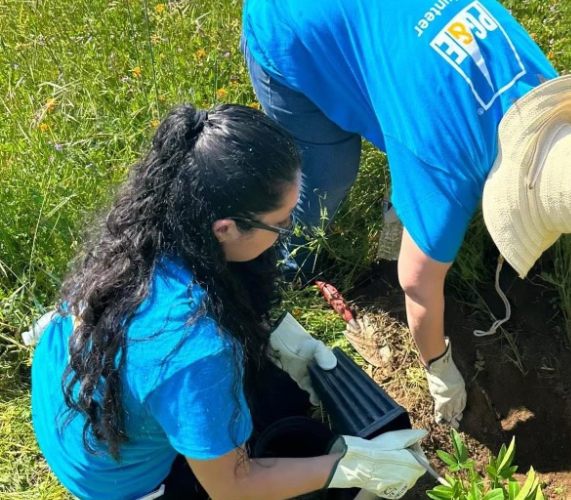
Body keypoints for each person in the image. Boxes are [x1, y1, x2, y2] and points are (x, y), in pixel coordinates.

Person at [241, 0, 571, 429]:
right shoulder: (448, 163)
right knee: (324, 180)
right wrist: (439, 370)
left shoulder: (537, 77)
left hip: (381, 30)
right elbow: (416, 285)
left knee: (405, 138)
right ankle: (289, 265)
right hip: (293, 27)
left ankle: (397, 207)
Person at [30, 104, 427, 500]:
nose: (288, 230)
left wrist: (282, 339)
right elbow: (233, 486)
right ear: (225, 228)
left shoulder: (147, 230)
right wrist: (351, 466)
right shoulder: (196, 349)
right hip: (120, 483)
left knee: (277, 395)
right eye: (282, 220)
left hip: (71, 410)